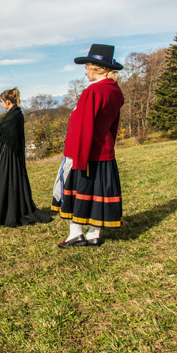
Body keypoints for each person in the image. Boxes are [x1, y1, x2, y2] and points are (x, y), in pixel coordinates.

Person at [52, 44, 124, 248]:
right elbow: (112, 124)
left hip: (86, 152)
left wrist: (77, 158)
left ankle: (76, 234)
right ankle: (94, 234)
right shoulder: (115, 91)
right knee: (98, 193)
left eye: (87, 67)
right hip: (104, 150)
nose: (85, 72)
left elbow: (83, 126)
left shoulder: (93, 91)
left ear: (96, 68)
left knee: (80, 192)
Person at [0, 87, 52, 227]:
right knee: (7, 181)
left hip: (9, 154)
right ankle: (7, 211)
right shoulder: (15, 114)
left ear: (8, 102)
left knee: (6, 181)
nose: (1, 104)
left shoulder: (13, 116)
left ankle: (9, 213)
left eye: (2, 101)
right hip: (10, 152)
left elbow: (0, 132)